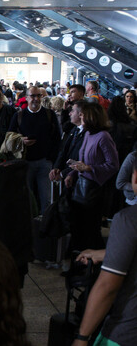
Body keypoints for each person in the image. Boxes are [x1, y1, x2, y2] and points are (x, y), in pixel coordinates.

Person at [68, 155, 137, 346]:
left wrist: (81, 338)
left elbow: (108, 287)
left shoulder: (129, 220)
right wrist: (106, 252)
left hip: (129, 335)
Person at [65, 102, 119, 253]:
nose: (80, 116)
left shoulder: (103, 137)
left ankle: (93, 263)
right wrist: (72, 173)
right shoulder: (88, 134)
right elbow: (83, 160)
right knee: (79, 227)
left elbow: (113, 165)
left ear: (91, 117)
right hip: (81, 187)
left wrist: (89, 168)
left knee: (90, 229)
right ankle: (78, 263)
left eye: (82, 114)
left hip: (94, 190)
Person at [8, 85, 61, 214]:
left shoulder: (49, 114)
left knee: (46, 199)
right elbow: (9, 137)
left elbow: (57, 139)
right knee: (26, 199)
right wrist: (22, 141)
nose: (36, 99)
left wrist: (52, 160)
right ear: (26, 97)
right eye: (33, 96)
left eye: (38, 96)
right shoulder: (19, 116)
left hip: (45, 163)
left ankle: (45, 228)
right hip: (25, 163)